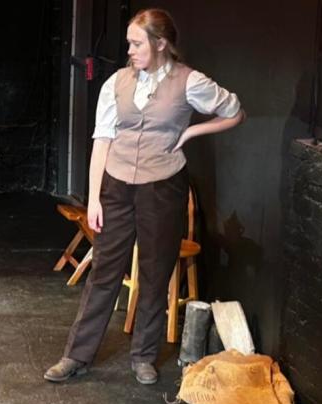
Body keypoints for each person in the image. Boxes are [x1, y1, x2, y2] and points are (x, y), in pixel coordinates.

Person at [44, 8, 245, 385]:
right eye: (129, 43)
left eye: (137, 43)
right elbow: (102, 140)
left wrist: (191, 134)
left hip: (163, 186)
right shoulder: (117, 82)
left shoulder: (189, 82)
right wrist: (94, 198)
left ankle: (143, 357)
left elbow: (234, 111)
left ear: (161, 43)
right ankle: (77, 355)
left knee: (155, 272)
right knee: (104, 271)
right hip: (117, 186)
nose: (130, 51)